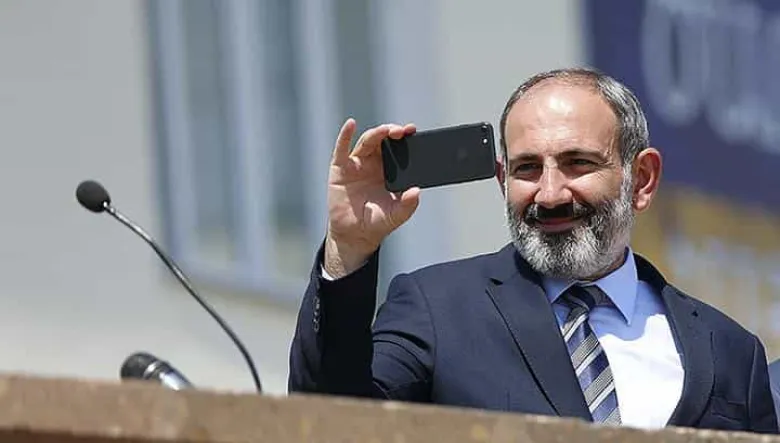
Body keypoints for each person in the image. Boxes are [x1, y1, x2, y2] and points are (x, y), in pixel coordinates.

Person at [288, 67, 778, 433]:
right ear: (502, 180)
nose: (550, 194)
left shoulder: (730, 351)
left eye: (577, 163)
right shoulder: (439, 309)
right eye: (526, 169)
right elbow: (332, 424)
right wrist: (349, 248)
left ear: (642, 179)